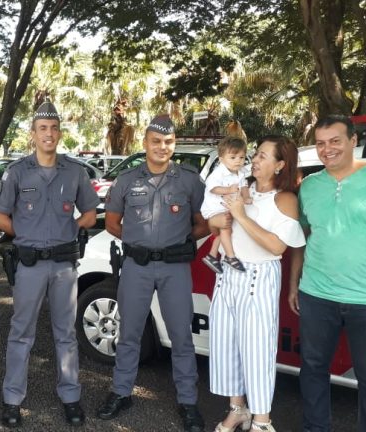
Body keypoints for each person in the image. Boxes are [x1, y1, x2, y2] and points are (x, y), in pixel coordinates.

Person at [96, 114, 210, 432]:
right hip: (137, 266)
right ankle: (121, 393)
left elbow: (203, 223)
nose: (162, 147)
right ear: (145, 143)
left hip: (175, 268)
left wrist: (182, 242)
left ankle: (188, 401)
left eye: (168, 141)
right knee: (129, 333)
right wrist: (139, 243)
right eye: (156, 141)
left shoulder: (189, 180)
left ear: (174, 143)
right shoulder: (127, 180)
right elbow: (112, 223)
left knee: (181, 336)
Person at [289, 115, 366, 432]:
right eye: (320, 143)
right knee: (312, 368)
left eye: (335, 141)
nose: (327, 149)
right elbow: (301, 238)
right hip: (316, 294)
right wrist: (294, 284)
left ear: (353, 141)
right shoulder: (310, 186)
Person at [0, 100, 99, 428]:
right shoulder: (17, 172)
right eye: (42, 128)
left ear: (59, 133)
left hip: (64, 265)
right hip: (29, 266)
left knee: (65, 333)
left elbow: (91, 213)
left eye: (53, 128)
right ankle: (12, 400)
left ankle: (71, 397)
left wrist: (72, 228)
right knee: (21, 332)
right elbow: (0, 217)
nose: (48, 134)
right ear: (33, 133)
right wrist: (27, 234)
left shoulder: (75, 172)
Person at [209, 136, 305, 432]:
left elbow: (277, 246)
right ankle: (237, 409)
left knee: (258, 350)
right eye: (256, 153)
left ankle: (262, 421)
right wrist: (220, 219)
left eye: (263, 155)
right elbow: (214, 222)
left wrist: (240, 215)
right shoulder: (242, 187)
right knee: (226, 345)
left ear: (280, 164)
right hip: (228, 273)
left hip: (259, 276)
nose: (255, 159)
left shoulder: (285, 199)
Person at [201, 137, 252, 273]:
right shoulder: (218, 173)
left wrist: (246, 197)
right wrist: (228, 190)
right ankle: (230, 257)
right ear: (221, 159)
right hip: (214, 208)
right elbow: (213, 188)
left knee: (224, 232)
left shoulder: (241, 173)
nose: (238, 161)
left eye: (241, 157)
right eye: (233, 157)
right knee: (226, 229)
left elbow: (244, 186)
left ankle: (212, 255)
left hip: (226, 207)